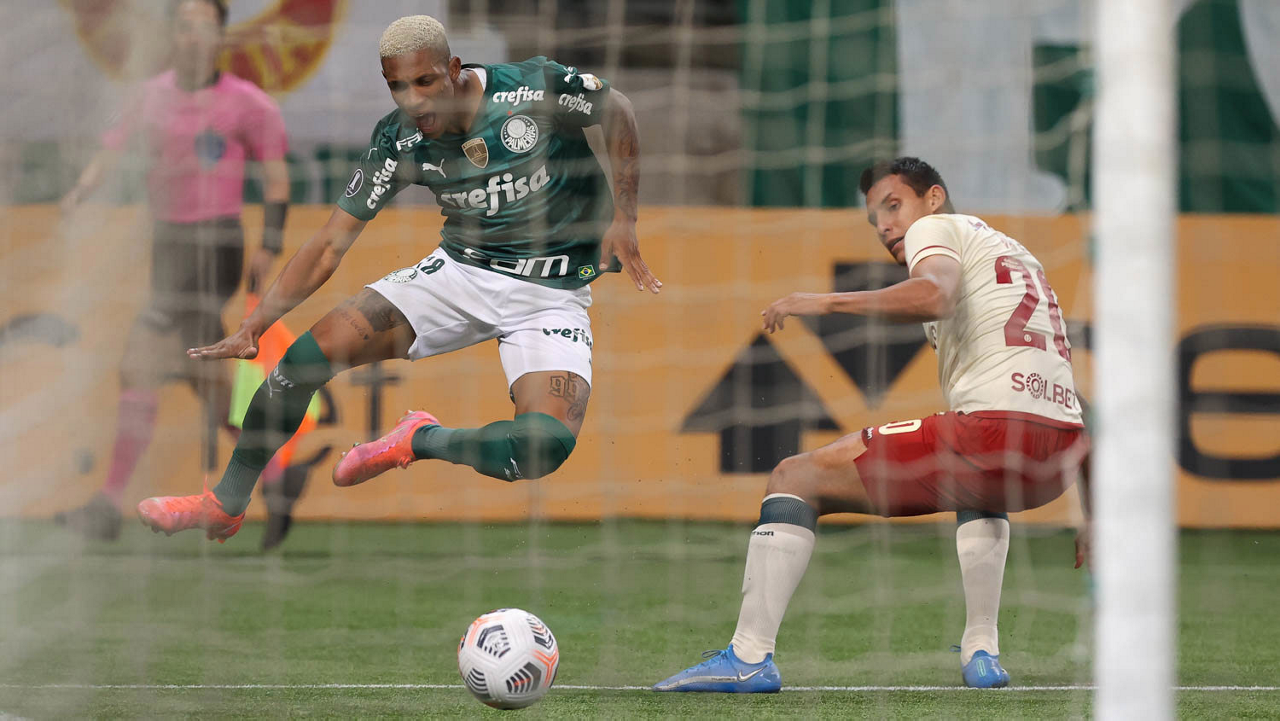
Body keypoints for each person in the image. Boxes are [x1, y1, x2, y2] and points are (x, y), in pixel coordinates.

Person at [134, 15, 660, 542]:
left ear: (453, 69)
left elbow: (617, 110)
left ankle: (419, 438)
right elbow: (330, 244)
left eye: (424, 81)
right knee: (303, 360)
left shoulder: (531, 89)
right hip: (459, 274)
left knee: (541, 449)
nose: (413, 100)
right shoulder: (399, 139)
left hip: (550, 295)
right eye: (397, 86)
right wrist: (255, 325)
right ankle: (226, 502)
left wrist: (625, 218)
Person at [653, 157, 1089, 692]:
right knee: (977, 485)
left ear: (932, 198)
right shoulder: (1016, 256)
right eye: (874, 218)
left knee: (794, 477)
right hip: (1058, 458)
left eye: (893, 206)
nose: (884, 225)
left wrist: (824, 301)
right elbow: (1070, 398)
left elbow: (934, 295)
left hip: (991, 435)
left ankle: (747, 656)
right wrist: (1092, 513)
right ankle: (982, 650)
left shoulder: (935, 229)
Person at [55, 0, 289, 542]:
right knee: (207, 382)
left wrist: (270, 246)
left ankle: (108, 505)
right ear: (173, 36)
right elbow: (112, 151)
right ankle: (280, 479)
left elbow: (276, 179)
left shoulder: (248, 103)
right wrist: (81, 191)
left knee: (140, 360)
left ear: (220, 38)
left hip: (215, 246)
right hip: (168, 243)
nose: (193, 37)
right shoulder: (150, 95)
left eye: (205, 27)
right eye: (184, 27)